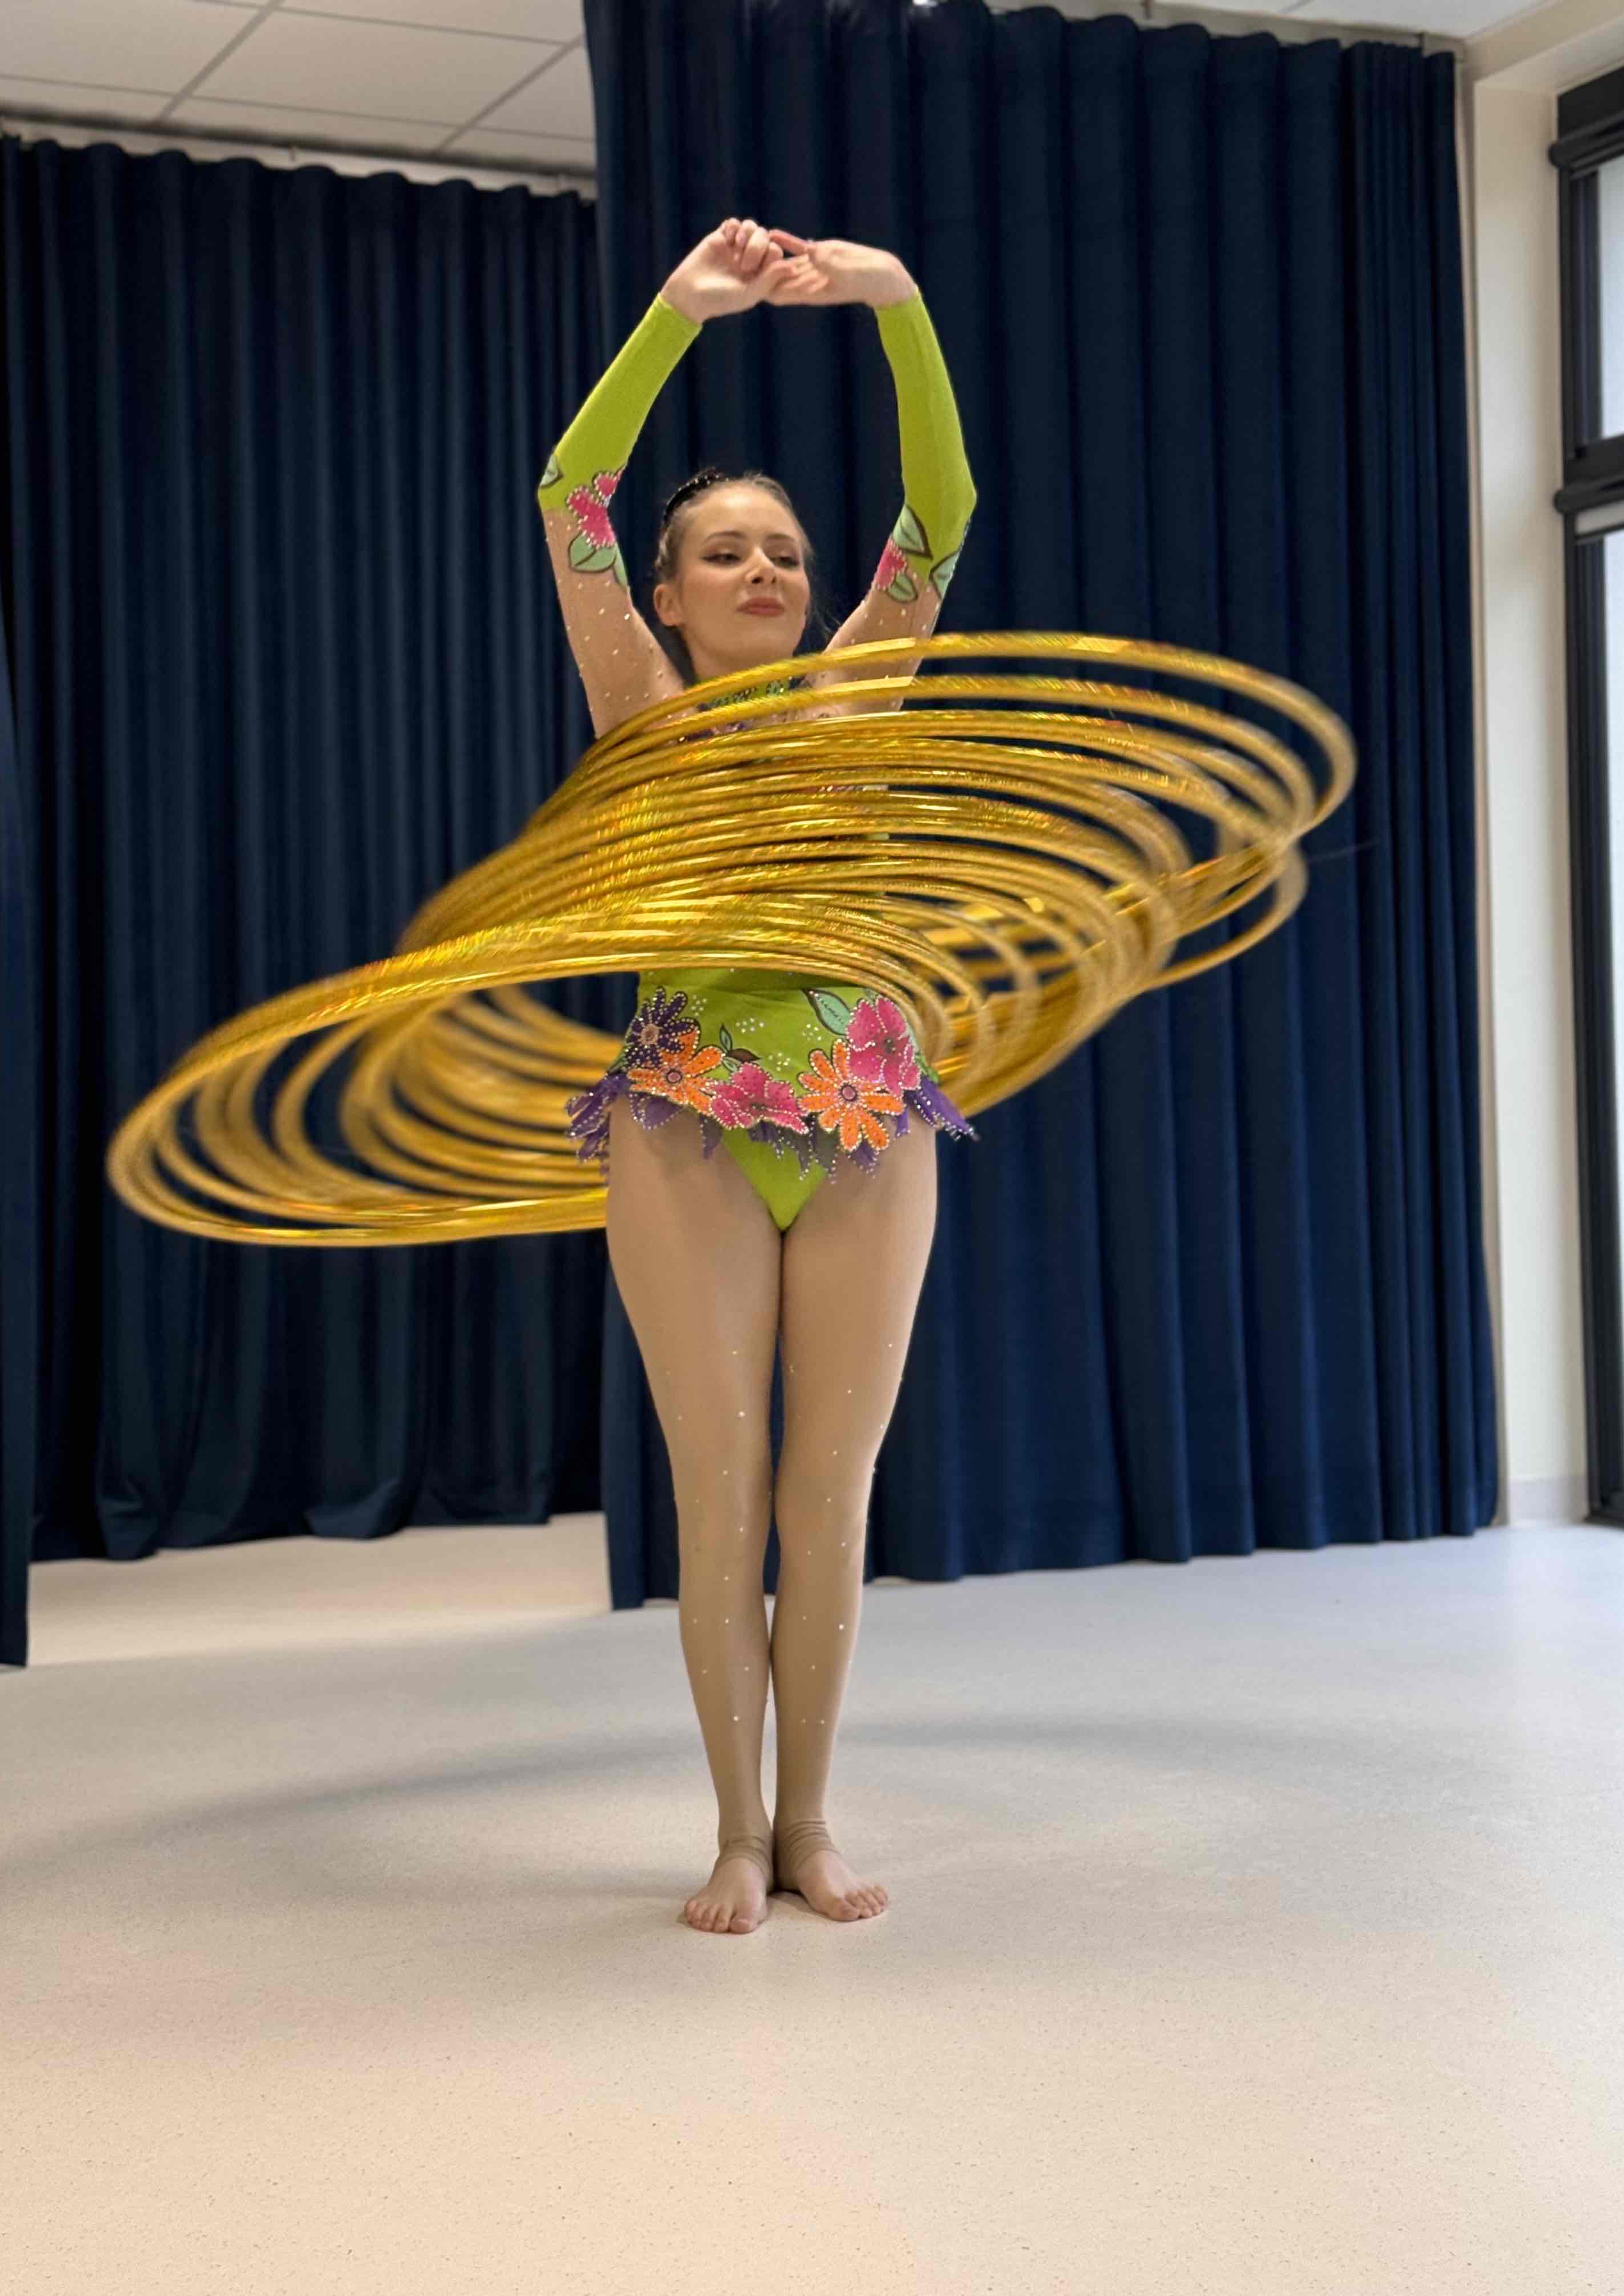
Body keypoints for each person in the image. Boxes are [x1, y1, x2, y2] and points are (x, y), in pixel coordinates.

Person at [539, 218, 977, 1934]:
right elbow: (573, 493)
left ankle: (809, 1823)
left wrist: (896, 299)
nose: (764, 570)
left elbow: (938, 508)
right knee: (721, 1494)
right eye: (724, 551)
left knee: (829, 1492)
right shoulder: (639, 702)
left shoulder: (863, 691)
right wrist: (672, 318)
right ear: (666, 594)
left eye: (784, 549)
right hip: (686, 1130)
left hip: (868, 1121)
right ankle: (732, 1830)